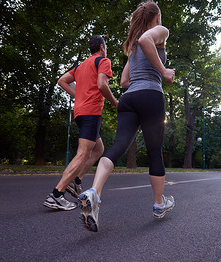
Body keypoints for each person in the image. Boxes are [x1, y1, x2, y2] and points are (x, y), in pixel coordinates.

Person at [77, 1, 175, 232]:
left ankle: (94, 192)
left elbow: (123, 82)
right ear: (157, 17)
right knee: (154, 151)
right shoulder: (160, 32)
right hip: (151, 94)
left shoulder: (132, 49)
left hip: (129, 98)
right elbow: (146, 40)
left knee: (118, 146)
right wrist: (163, 71)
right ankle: (159, 204)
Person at [44, 35, 118, 211]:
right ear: (101, 47)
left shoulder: (81, 66)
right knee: (83, 154)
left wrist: (78, 96)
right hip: (91, 112)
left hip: (80, 113)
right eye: (105, 47)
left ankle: (76, 182)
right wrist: (115, 103)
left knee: (98, 149)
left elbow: (62, 80)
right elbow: (101, 84)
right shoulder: (103, 60)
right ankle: (56, 194)